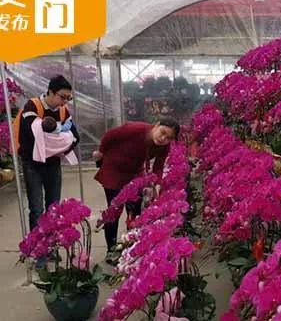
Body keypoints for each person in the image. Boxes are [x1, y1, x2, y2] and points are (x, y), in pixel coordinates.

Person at [93, 118, 179, 263]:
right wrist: (101, 152)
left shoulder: (164, 146)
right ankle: (111, 250)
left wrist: (157, 184)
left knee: (135, 211)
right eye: (162, 132)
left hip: (134, 173)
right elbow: (110, 135)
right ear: (156, 125)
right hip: (114, 170)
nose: (163, 139)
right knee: (113, 211)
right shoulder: (135, 129)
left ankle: (130, 246)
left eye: (168, 138)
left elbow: (158, 167)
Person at [16, 75, 80, 232]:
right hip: (33, 164)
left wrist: (54, 140)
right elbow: (33, 136)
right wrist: (60, 137)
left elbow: (75, 137)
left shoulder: (63, 111)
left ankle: (52, 241)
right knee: (36, 208)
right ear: (50, 92)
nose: (65, 102)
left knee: (53, 206)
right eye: (62, 97)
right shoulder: (33, 106)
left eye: (68, 98)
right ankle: (36, 243)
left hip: (53, 164)